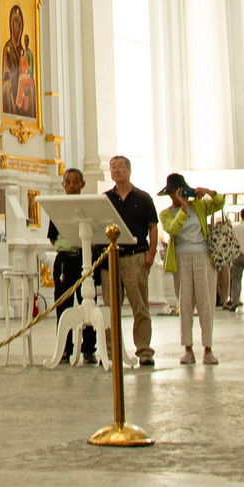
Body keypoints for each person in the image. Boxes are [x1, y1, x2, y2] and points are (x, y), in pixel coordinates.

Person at [160, 174, 224, 364]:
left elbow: (220, 203)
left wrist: (208, 192)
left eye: (182, 191)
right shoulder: (166, 213)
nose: (179, 195)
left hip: (203, 256)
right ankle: (187, 348)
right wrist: (183, 210)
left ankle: (208, 348)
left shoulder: (200, 206)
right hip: (181, 258)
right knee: (185, 303)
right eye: (175, 192)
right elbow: (172, 229)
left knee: (206, 302)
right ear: (170, 194)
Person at [104, 155, 159, 367]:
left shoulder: (143, 198)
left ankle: (144, 350)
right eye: (112, 167)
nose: (116, 171)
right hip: (112, 258)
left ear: (128, 170)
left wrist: (150, 254)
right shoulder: (106, 199)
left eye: (120, 167)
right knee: (111, 308)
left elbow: (153, 227)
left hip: (136, 256)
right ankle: (111, 352)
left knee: (140, 306)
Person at [47, 167, 98, 366]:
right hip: (65, 260)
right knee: (63, 305)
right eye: (67, 182)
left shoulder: (89, 205)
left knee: (88, 303)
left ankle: (88, 349)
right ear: (63, 185)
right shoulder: (58, 207)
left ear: (82, 184)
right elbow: (53, 237)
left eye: (75, 182)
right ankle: (65, 349)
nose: (71, 186)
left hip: (84, 259)